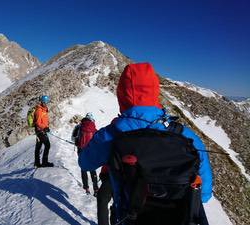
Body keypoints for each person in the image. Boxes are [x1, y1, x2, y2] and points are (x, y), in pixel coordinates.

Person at [78, 63, 212, 225]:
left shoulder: (111, 134)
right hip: (179, 218)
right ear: (155, 91)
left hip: (130, 217)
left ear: (122, 95)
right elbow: (204, 194)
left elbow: (85, 163)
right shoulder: (187, 137)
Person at [73, 113, 99, 195]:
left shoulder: (79, 127)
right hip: (91, 151)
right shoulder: (93, 128)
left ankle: (86, 188)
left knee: (83, 168)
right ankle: (96, 189)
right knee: (92, 169)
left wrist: (78, 143)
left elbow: (73, 138)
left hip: (81, 150)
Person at [34, 95, 53, 168]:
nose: (45, 103)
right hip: (40, 131)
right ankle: (44, 162)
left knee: (38, 146)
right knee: (47, 145)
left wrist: (46, 127)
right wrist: (44, 127)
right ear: (41, 101)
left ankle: (37, 163)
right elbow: (38, 123)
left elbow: (43, 120)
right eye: (44, 102)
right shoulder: (39, 110)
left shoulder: (43, 109)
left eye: (46, 102)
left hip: (41, 130)